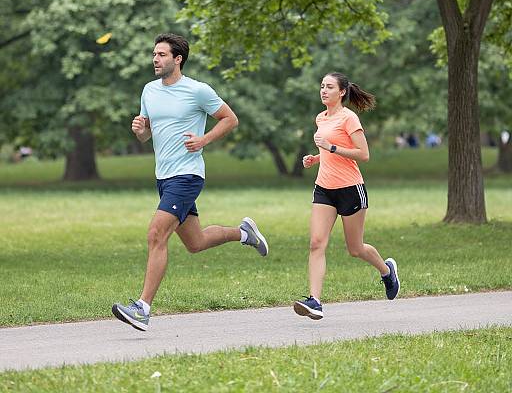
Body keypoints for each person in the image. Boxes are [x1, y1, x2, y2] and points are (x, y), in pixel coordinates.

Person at [112, 33, 268, 331]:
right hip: (164, 175)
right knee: (196, 243)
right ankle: (244, 233)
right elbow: (147, 135)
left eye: (161, 55)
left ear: (177, 58)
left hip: (187, 175)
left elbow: (230, 119)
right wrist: (140, 130)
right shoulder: (148, 91)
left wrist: (204, 139)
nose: (155, 59)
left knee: (156, 234)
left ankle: (142, 308)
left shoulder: (197, 90)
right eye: (154, 54)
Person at [293, 72, 399, 321]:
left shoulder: (349, 118)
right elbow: (330, 149)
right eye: (322, 86)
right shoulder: (321, 117)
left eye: (329, 87)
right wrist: (316, 157)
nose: (323, 90)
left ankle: (387, 271)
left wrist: (329, 148)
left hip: (351, 189)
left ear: (341, 92)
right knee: (316, 243)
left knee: (355, 248)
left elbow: (363, 154)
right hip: (324, 188)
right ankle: (315, 302)